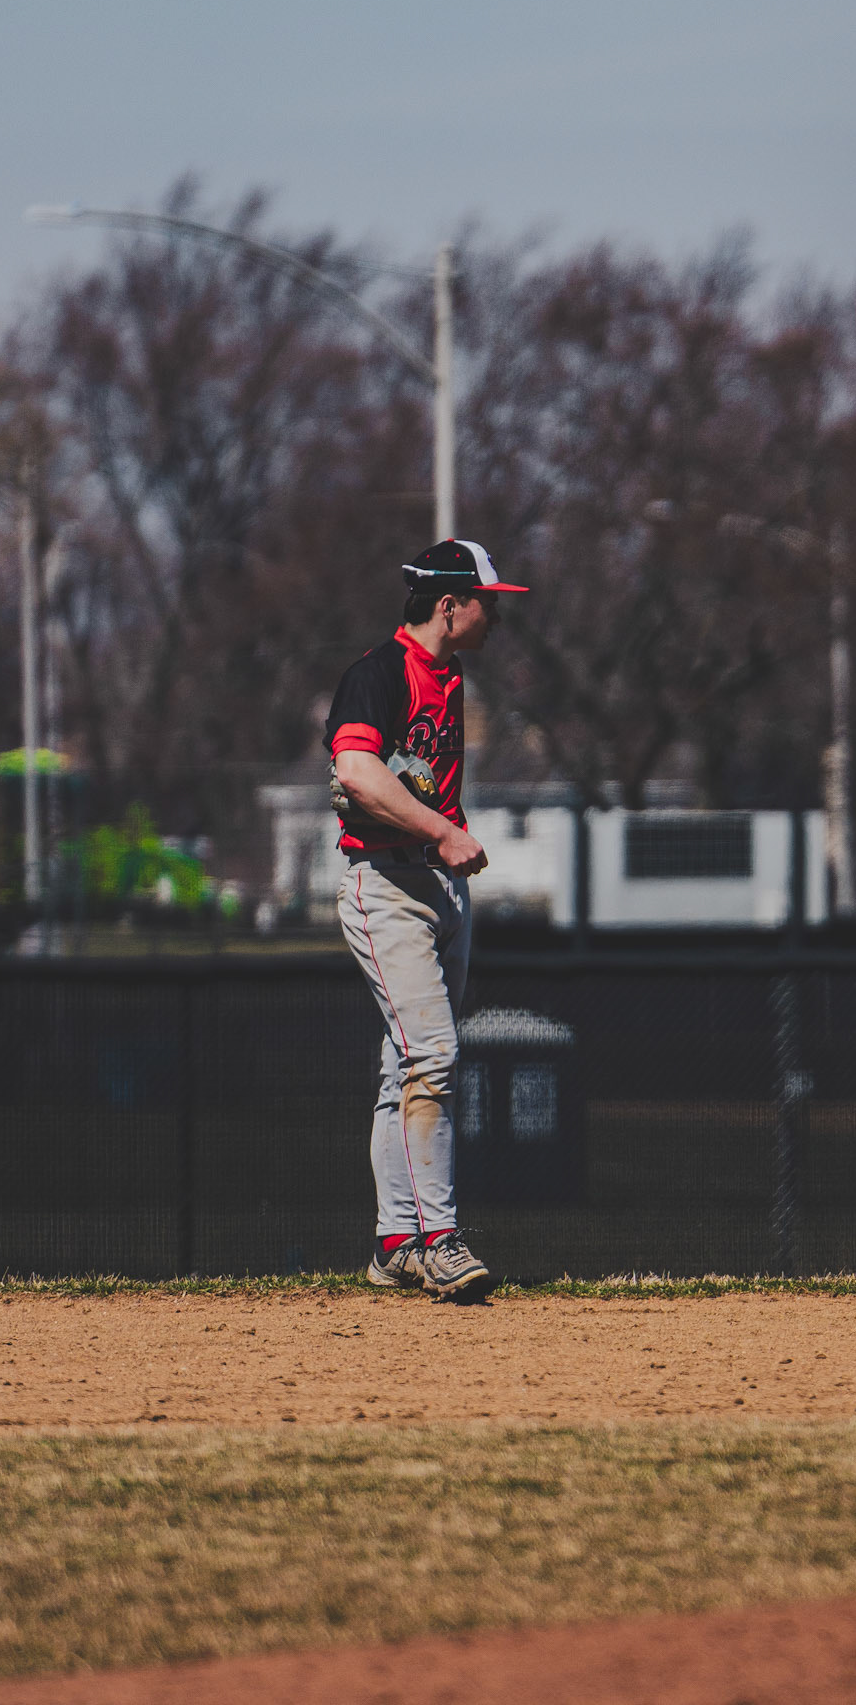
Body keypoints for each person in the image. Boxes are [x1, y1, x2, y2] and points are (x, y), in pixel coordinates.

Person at [325, 539, 529, 1301]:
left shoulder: (449, 673)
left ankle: (395, 1246)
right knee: (435, 1056)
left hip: (438, 885)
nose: (496, 616)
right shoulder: (379, 672)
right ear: (449, 606)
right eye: (487, 602)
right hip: (387, 885)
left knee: (406, 1068)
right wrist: (440, 829)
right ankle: (440, 1240)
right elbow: (355, 770)